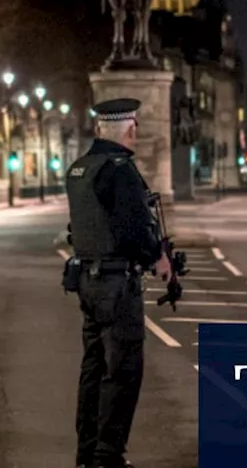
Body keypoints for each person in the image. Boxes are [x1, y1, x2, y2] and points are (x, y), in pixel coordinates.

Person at [67, 97, 170, 468]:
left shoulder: (80, 169)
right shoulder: (120, 170)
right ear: (130, 129)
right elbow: (133, 228)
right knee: (122, 372)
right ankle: (108, 456)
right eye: (135, 127)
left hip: (88, 282)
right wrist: (157, 258)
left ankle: (87, 452)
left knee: (93, 370)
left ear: (99, 128)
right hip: (116, 284)